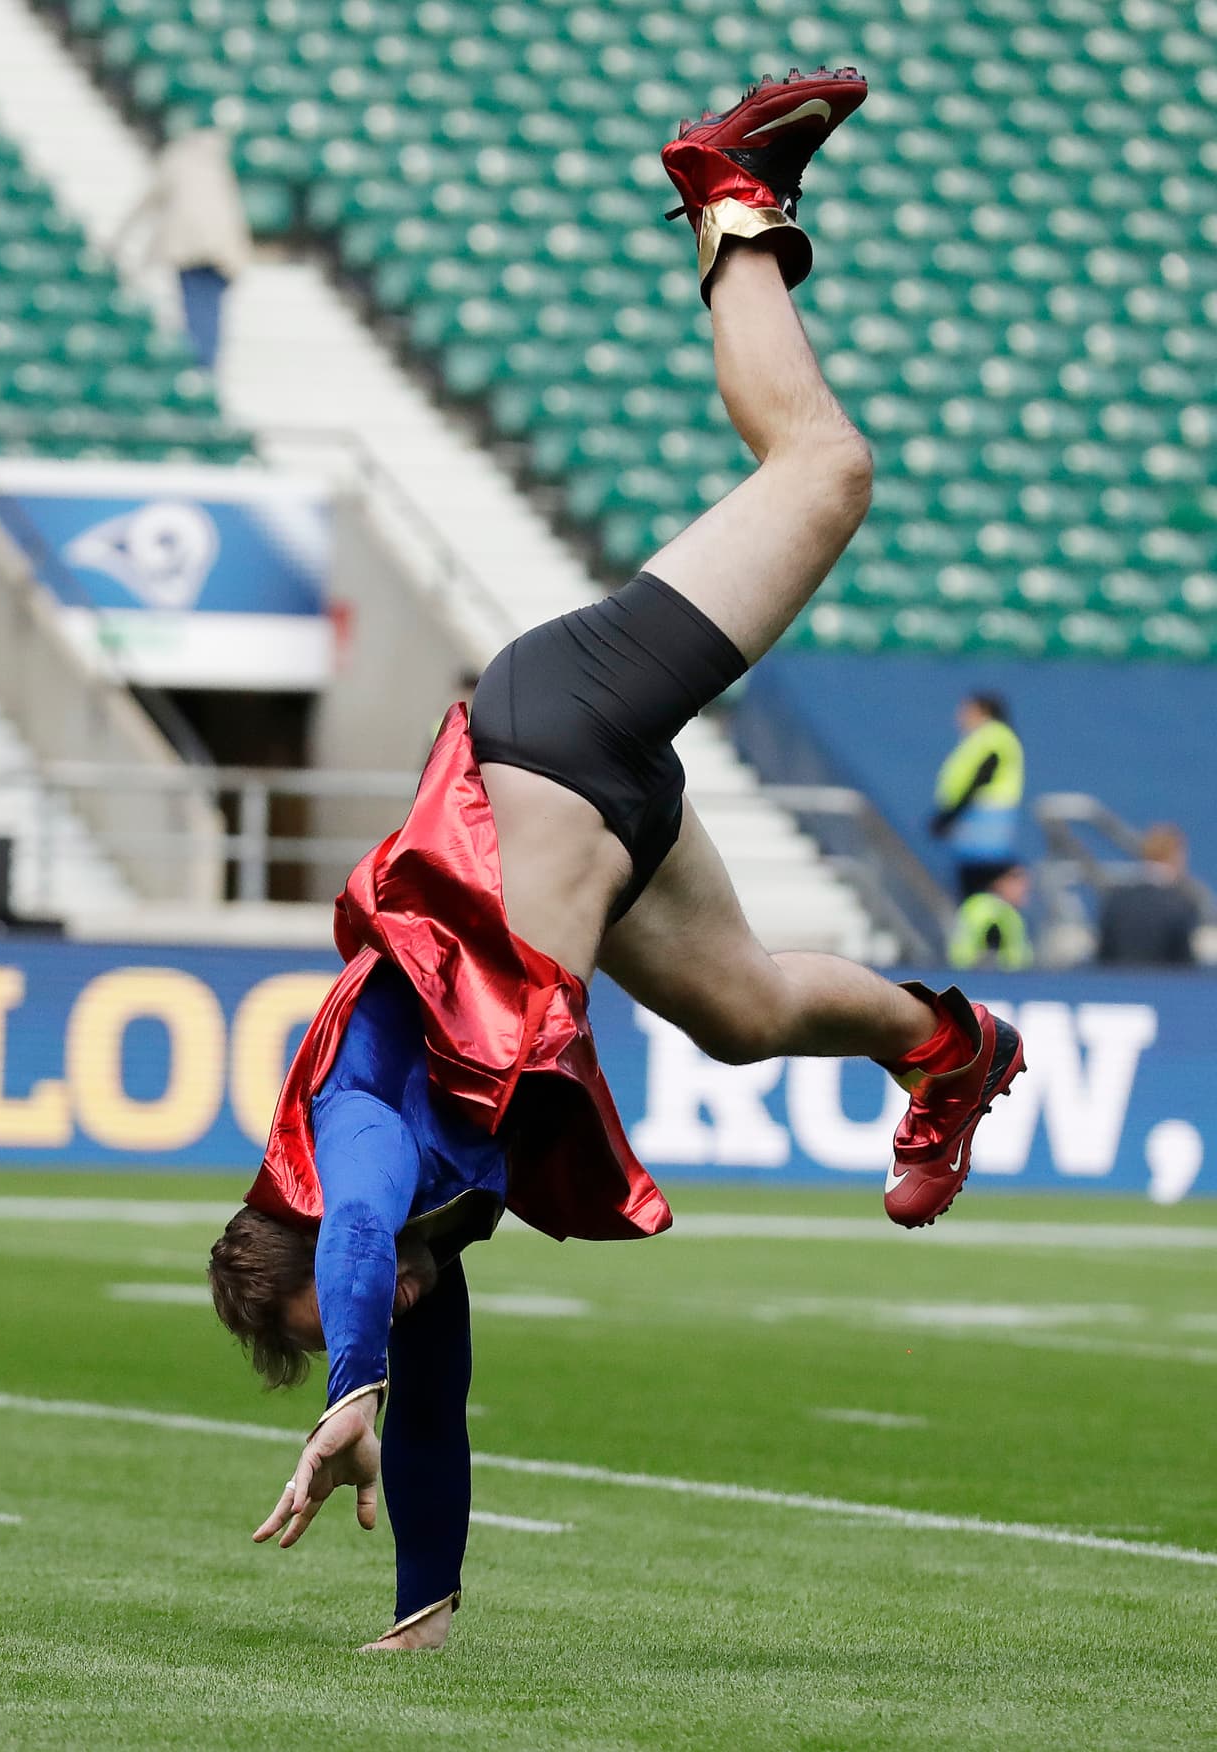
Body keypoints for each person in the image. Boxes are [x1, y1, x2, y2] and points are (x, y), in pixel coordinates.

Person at [208, 67, 1027, 1653]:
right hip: (599, 820)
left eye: (338, 1325)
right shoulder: (419, 1248)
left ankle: (734, 199)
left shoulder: (347, 1146)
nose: (376, 1331)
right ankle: (953, 1041)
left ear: (310, 1244)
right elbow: (434, 1413)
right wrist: (421, 1611)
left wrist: (351, 1371)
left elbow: (368, 1246)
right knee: (743, 1010)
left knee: (825, 476)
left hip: (553, 733)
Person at [114, 128, 251, 369]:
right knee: (209, 311)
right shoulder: (217, 165)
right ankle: (204, 366)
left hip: (192, 248)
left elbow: (149, 202)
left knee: (198, 308)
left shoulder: (179, 160)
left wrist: (119, 240)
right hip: (219, 253)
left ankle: (200, 367)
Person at [930, 693, 1025, 900]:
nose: (960, 716)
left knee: (983, 885)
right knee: (973, 884)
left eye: (967, 710)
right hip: (974, 825)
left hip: (985, 823)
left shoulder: (994, 737)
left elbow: (982, 776)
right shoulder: (979, 739)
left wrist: (951, 814)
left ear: (983, 711)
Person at [1098, 824, 1199, 966]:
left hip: (1119, 985)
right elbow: (1185, 965)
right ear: (1175, 856)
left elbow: (1102, 958)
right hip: (1165, 985)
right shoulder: (1180, 906)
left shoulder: (1116, 900)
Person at [948, 862, 1033, 970]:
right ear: (998, 882)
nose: (1025, 885)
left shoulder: (981, 906)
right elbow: (989, 960)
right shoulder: (994, 913)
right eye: (1016, 877)